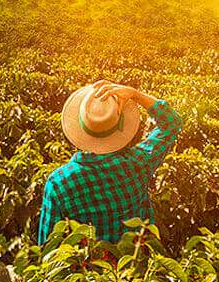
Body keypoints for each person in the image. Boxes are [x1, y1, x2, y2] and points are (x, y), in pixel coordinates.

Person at [37, 79, 184, 245]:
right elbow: (171, 123)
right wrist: (136, 94)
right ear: (119, 125)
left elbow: (48, 247)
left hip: (89, 269)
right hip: (134, 264)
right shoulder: (138, 163)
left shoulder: (59, 182)